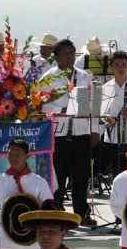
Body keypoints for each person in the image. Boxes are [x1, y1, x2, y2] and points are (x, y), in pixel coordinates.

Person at [41, 39, 99, 226]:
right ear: (57, 56)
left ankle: (82, 212)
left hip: (81, 131)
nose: (70, 56)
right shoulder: (48, 78)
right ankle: (57, 211)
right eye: (65, 53)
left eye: (72, 53)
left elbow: (94, 105)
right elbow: (42, 104)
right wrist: (61, 109)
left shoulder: (84, 76)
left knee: (81, 175)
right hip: (58, 133)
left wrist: (95, 130)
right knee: (58, 175)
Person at [0, 138, 54, 249]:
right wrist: (7, 218)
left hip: (33, 243)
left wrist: (34, 221)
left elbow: (50, 211)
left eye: (18, 154)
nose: (14, 158)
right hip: (7, 243)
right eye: (11, 154)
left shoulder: (39, 182)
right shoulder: (0, 180)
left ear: (27, 156)